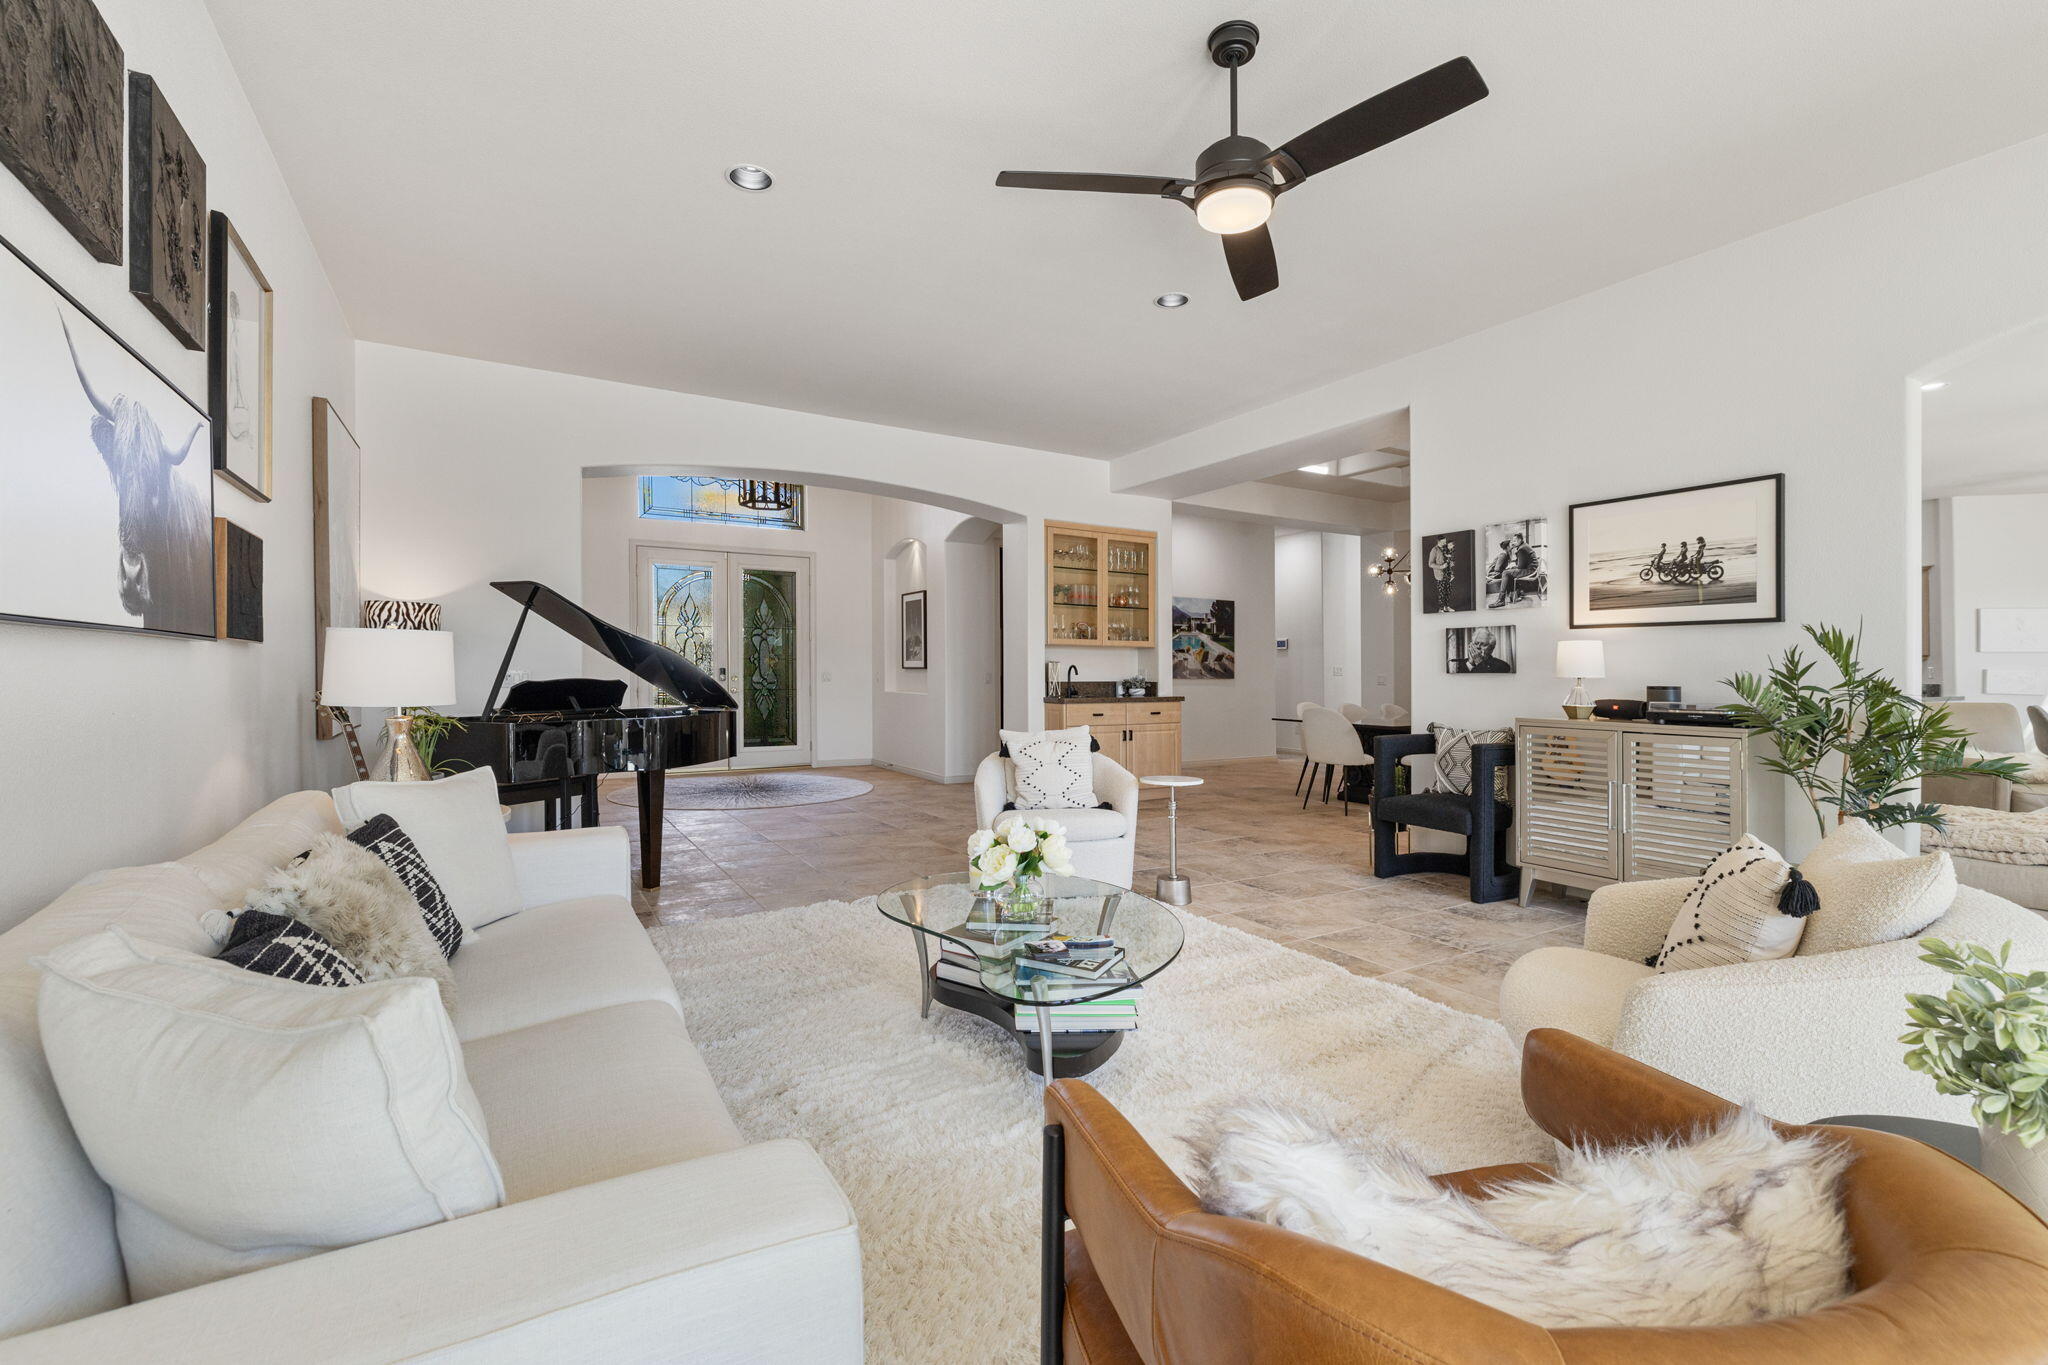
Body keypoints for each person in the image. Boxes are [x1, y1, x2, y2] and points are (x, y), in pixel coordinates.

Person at [1428, 536, 1457, 612]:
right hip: (1440, 574)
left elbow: (1448, 558)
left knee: (1448, 590)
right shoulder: (1434, 550)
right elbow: (1430, 564)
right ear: (1438, 541)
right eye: (1443, 542)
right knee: (1442, 592)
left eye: (1445, 541)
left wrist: (1451, 563)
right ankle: (1441, 609)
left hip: (1448, 573)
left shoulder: (1445, 548)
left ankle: (1446, 607)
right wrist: (1441, 566)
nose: (1445, 543)